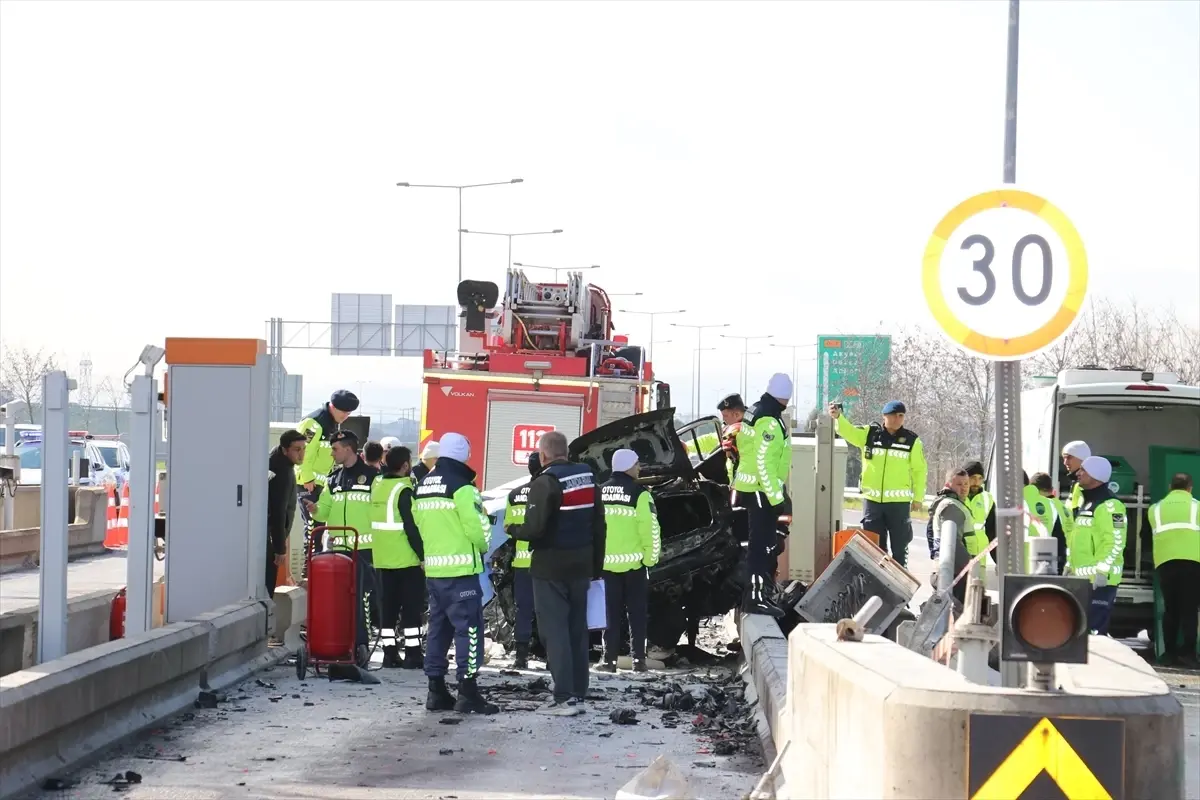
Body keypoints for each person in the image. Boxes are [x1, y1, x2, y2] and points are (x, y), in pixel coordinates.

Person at [509, 431, 606, 716]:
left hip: (551, 567)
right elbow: (600, 526)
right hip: (582, 565)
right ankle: (578, 690)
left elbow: (535, 528)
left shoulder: (545, 482)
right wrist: (596, 567)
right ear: (566, 451)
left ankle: (563, 698)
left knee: (555, 631)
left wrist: (514, 530)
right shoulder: (588, 476)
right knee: (577, 629)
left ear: (543, 455)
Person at [412, 432, 499, 715]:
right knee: (469, 631)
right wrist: (484, 544)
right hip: (461, 572)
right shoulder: (463, 487)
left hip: (435, 572)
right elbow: (478, 528)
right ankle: (468, 691)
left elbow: (417, 524)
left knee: (438, 630)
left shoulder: (423, 485)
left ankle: (435, 690)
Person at [305, 429, 378, 662]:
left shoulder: (372, 477)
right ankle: (340, 642)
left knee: (361, 600)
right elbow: (325, 510)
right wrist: (315, 509)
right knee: (338, 600)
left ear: (348, 449)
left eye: (335, 449)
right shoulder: (334, 478)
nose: (332, 454)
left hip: (364, 549)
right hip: (337, 550)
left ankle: (361, 644)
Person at [830, 399, 927, 568]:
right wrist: (838, 417)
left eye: (901, 416)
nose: (897, 419)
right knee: (874, 547)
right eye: (893, 416)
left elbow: (919, 471)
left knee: (899, 548)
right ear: (884, 416)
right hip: (873, 502)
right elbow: (849, 431)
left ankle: (899, 585)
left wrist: (918, 497)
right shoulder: (869, 434)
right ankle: (878, 582)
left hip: (898, 504)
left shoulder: (912, 441)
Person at [597, 448, 661, 674]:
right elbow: (650, 529)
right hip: (634, 567)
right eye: (636, 464)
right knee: (636, 615)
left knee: (609, 615)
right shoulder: (640, 494)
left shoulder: (600, 492)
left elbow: (592, 529)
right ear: (626, 466)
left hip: (606, 566)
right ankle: (638, 662)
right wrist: (651, 560)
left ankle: (609, 661)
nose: (639, 468)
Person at [734, 374, 794, 616]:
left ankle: (758, 596)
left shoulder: (756, 410)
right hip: (761, 491)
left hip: (754, 488)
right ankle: (756, 599)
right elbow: (764, 461)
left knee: (760, 546)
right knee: (762, 548)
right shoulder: (769, 420)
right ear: (786, 397)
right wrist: (776, 498)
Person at [370, 446, 426, 670]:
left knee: (388, 611)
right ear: (405, 465)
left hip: (382, 559)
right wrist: (423, 556)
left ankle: (389, 654)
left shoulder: (378, 486)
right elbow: (411, 528)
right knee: (411, 610)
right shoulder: (404, 490)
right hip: (406, 560)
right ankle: (413, 654)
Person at [1066, 456, 1127, 636]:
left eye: (1084, 470)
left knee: (1093, 636)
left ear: (1096, 475)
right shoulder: (1087, 504)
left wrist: (1102, 571)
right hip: (1083, 581)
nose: (1079, 473)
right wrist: (1070, 566)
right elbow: (1077, 540)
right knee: (1078, 633)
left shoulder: (1110, 505)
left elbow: (1115, 541)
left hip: (1100, 583)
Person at [296, 390, 360, 553]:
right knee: (313, 526)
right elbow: (303, 452)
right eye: (344, 412)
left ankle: (315, 563)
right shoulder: (314, 423)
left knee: (320, 526)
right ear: (333, 406)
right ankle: (308, 568)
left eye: (349, 413)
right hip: (307, 484)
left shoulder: (332, 423)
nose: (346, 416)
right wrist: (307, 479)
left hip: (322, 484)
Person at [1148, 473, 1200, 667]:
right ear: (1190, 488)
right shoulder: (1197, 507)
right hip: (1194, 562)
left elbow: (1146, 535)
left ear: (1170, 487)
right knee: (1189, 609)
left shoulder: (1155, 509)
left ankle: (1168, 653)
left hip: (1165, 562)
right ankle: (1188, 653)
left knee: (1171, 609)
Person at [502, 452, 541, 670]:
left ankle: (521, 657)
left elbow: (508, 529)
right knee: (547, 611)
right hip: (544, 562)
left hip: (521, 564)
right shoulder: (548, 491)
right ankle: (550, 657)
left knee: (523, 610)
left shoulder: (514, 494)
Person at [924, 468, 973, 606]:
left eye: (966, 484)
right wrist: (969, 567)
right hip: (955, 573)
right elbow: (953, 542)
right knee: (955, 614)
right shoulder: (951, 506)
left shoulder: (952, 503)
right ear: (948, 484)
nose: (964, 488)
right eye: (959, 484)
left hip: (951, 572)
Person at [266, 430, 305, 598]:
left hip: (270, 538)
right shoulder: (281, 471)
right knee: (267, 588)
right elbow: (278, 512)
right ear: (284, 450)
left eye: (304, 449)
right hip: (269, 540)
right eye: (297, 449)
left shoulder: (281, 463)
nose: (302, 454)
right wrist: (280, 548)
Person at [1023, 471, 1066, 573]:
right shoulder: (1059, 506)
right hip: (1049, 562)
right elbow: (1060, 537)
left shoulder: (1018, 503)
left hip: (1023, 565)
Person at [962, 461, 996, 570]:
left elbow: (993, 533)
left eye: (980, 478)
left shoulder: (988, 499)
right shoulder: (956, 496)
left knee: (977, 586)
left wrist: (999, 561)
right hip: (958, 556)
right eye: (973, 477)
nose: (977, 482)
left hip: (979, 558)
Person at [1060, 440, 1091, 513]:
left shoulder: (1087, 483)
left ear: (1082, 459)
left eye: (1069, 458)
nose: (1065, 462)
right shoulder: (1075, 481)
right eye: (1064, 458)